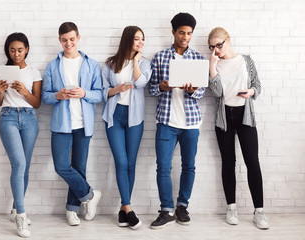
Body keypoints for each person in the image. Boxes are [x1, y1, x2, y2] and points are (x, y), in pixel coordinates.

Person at [207, 27, 269, 230]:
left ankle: (259, 211)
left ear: (228, 40)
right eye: (212, 47)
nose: (216, 50)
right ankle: (231, 208)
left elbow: (257, 85)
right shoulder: (215, 64)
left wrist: (251, 91)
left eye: (219, 45)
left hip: (245, 116)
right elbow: (216, 92)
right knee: (228, 162)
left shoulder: (246, 60)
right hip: (224, 117)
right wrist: (212, 67)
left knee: (253, 162)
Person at [42, 22, 102, 227]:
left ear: (78, 38)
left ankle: (72, 209)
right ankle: (90, 195)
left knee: (79, 167)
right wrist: (58, 95)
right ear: (60, 40)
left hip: (84, 124)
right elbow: (45, 97)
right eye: (64, 39)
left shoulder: (91, 64)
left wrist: (84, 93)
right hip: (61, 124)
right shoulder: (52, 66)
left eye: (72, 39)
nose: (69, 43)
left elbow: (99, 94)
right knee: (61, 166)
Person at [148, 12, 206, 229]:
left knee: (188, 166)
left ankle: (182, 206)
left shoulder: (199, 59)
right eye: (181, 32)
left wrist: (192, 91)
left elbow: (202, 94)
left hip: (190, 123)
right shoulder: (160, 57)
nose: (185, 37)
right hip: (166, 121)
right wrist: (161, 87)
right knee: (163, 167)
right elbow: (152, 89)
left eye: (189, 33)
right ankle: (166, 209)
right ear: (173, 32)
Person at [102, 26, 152, 230]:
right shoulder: (111, 63)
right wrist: (118, 89)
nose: (140, 42)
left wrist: (136, 61)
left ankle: (123, 209)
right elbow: (103, 91)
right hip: (114, 116)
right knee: (121, 161)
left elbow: (141, 83)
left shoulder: (146, 63)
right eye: (136, 39)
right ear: (127, 40)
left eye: (142, 39)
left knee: (131, 163)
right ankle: (129, 209)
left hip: (135, 118)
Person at [0, 32, 42, 238]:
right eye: (12, 50)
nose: (16, 54)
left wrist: (24, 92)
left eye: (20, 50)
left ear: (27, 50)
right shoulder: (1, 71)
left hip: (29, 118)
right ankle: (21, 216)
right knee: (18, 165)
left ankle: (15, 209)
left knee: (25, 166)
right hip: (8, 117)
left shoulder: (34, 72)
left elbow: (37, 103)